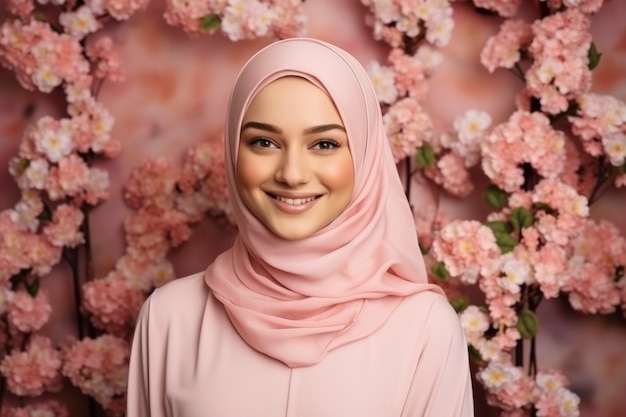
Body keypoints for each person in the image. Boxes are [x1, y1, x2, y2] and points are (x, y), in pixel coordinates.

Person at [126, 37, 474, 417]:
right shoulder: (170, 317)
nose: (292, 174)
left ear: (364, 153)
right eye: (264, 142)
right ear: (232, 151)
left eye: (324, 144)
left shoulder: (424, 329)